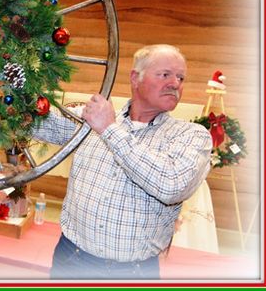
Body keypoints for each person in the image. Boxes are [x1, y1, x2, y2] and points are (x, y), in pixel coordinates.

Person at [33, 44, 212, 280]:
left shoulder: (191, 135)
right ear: (135, 78)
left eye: (180, 77)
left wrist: (109, 129)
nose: (175, 84)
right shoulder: (96, 119)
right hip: (69, 260)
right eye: (165, 74)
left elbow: (171, 186)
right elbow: (40, 124)